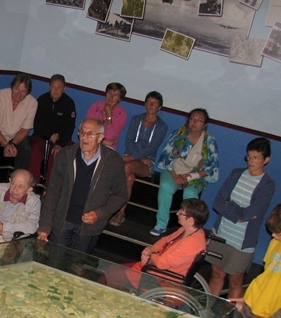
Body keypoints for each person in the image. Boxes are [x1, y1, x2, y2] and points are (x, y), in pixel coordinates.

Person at [37, 118, 127, 253]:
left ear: (100, 138)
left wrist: (100, 213)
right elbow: (53, 192)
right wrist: (45, 227)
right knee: (54, 265)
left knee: (77, 268)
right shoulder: (65, 155)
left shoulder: (113, 161)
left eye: (90, 134)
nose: (85, 137)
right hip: (62, 222)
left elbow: (121, 195)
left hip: (89, 227)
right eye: (82, 133)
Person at [207, 138, 275, 298]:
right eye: (249, 157)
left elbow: (247, 215)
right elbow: (218, 202)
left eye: (256, 158)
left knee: (235, 281)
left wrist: (229, 205)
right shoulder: (236, 173)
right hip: (221, 233)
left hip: (241, 242)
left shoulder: (267, 184)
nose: (251, 161)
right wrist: (237, 212)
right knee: (216, 274)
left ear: (266, 160)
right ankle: (206, 313)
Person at [103, 199, 208, 290]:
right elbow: (164, 240)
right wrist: (152, 248)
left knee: (113, 273)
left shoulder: (192, 244)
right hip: (156, 267)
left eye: (181, 212)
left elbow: (162, 264)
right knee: (115, 269)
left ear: (190, 220)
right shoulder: (185, 230)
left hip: (161, 278)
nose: (177, 213)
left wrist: (149, 254)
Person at [151, 108, 219, 237]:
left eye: (199, 121)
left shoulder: (210, 142)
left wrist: (191, 177)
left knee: (190, 194)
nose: (194, 122)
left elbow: (211, 168)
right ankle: (161, 224)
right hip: (173, 171)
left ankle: (187, 229)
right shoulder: (178, 134)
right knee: (166, 186)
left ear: (204, 125)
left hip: (195, 176)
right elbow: (166, 157)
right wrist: (175, 175)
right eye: (192, 119)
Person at [233, 203, 281, 318]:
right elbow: (267, 275)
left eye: (278, 232)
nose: (273, 235)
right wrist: (246, 297)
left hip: (268, 312)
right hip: (251, 300)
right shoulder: (275, 242)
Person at [109, 91, 168, 227]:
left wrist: (133, 157)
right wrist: (133, 157)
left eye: (154, 103)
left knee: (127, 166)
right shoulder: (136, 119)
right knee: (129, 178)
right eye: (149, 102)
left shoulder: (162, 126)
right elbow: (128, 141)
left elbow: (152, 147)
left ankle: (109, 200)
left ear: (159, 107)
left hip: (146, 163)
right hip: (130, 157)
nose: (151, 105)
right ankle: (120, 212)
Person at [0, 73, 37, 192]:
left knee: (26, 148)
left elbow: (25, 129)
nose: (19, 93)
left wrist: (14, 144)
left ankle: (19, 183)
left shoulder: (32, 103)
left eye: (23, 91)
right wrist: (6, 144)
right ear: (12, 87)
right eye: (17, 89)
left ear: (28, 92)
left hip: (16, 134)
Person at [28, 74, 76, 185]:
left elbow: (70, 127)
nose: (55, 90)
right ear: (49, 87)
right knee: (35, 151)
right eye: (53, 87)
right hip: (42, 136)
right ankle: (31, 183)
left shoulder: (69, 103)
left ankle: (49, 187)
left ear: (64, 89)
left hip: (61, 140)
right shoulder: (42, 100)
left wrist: (60, 143)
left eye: (59, 87)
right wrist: (49, 135)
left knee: (56, 154)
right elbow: (37, 124)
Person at [85, 82, 128, 152]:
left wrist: (109, 115)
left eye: (115, 95)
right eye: (109, 93)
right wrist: (103, 141)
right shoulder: (96, 106)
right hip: (90, 142)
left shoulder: (122, 113)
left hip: (108, 149)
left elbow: (110, 136)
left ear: (120, 99)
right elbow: (87, 130)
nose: (111, 97)